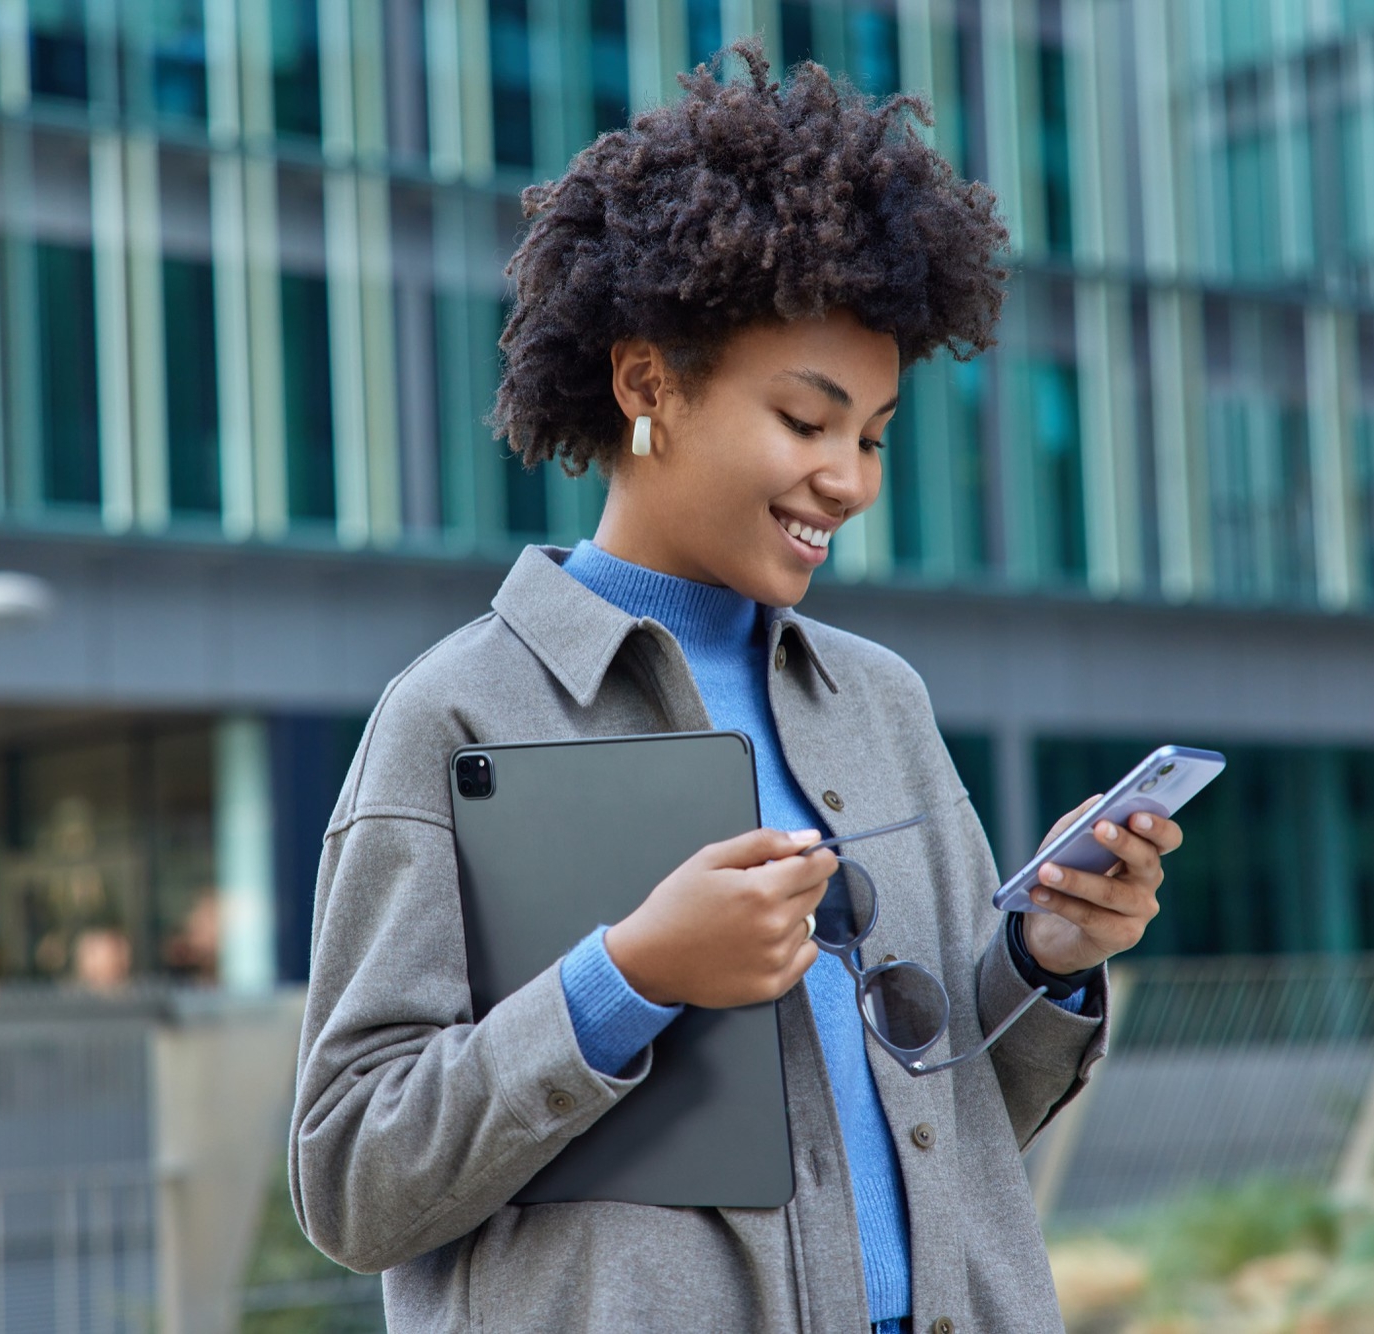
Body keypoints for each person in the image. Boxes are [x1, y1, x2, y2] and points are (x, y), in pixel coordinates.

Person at [290, 41, 1183, 1333]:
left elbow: (955, 1121)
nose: (850, 480)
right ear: (647, 381)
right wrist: (632, 974)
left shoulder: (881, 704)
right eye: (807, 422)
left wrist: (1044, 957)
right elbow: (352, 1180)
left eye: (872, 434)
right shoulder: (456, 715)